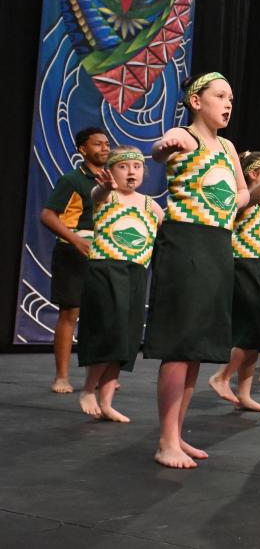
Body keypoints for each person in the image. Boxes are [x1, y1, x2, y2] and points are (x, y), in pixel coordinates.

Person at [145, 72, 251, 469]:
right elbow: (160, 150)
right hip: (186, 239)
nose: (227, 103)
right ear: (195, 100)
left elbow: (241, 194)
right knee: (179, 340)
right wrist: (164, 145)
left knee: (195, 345)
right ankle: (165, 440)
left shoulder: (226, 146)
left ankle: (177, 432)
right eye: (220, 95)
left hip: (217, 243)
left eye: (231, 98)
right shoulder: (184, 135)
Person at [77, 146, 162, 422]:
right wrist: (104, 188)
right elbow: (96, 194)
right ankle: (89, 388)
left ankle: (107, 401)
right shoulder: (106, 196)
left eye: (136, 167)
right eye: (124, 167)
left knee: (126, 338)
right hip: (106, 269)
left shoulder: (152, 205)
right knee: (109, 330)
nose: (131, 172)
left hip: (136, 273)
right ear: (111, 171)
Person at [208, 148, 260, 411]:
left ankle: (244, 393)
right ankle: (221, 377)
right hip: (245, 264)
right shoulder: (246, 198)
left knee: (258, 335)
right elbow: (255, 195)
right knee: (255, 327)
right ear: (253, 174)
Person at [41, 126, 110, 393]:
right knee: (70, 312)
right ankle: (61, 376)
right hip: (73, 252)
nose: (104, 148)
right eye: (97, 144)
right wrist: (75, 239)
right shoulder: (72, 180)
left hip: (103, 252)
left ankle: (98, 378)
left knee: (102, 314)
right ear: (83, 150)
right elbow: (48, 215)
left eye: (106, 144)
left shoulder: (110, 181)